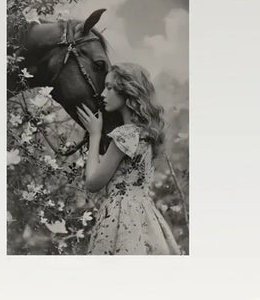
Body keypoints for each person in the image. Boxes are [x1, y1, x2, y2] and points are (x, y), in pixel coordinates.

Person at [75, 63, 182, 256]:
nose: (102, 94)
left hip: (120, 217)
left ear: (127, 92)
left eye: (109, 87)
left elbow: (92, 184)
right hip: (145, 215)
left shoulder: (124, 136)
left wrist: (94, 135)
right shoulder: (146, 133)